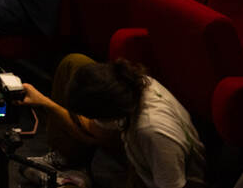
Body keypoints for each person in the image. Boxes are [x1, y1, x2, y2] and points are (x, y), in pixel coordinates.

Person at [19, 56, 205, 188]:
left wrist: (45, 103)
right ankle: (77, 175)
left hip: (166, 179)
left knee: (101, 170)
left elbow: (173, 184)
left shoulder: (152, 131)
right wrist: (44, 101)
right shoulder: (134, 85)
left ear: (107, 114)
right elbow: (94, 131)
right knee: (101, 168)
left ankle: (73, 179)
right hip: (140, 162)